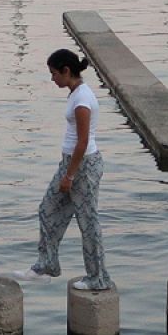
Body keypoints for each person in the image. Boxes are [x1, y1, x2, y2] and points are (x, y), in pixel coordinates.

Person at [12, 50, 115, 292]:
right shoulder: (76, 94)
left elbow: (83, 141)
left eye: (54, 74)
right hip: (70, 163)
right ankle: (45, 265)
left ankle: (98, 277)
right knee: (47, 209)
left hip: (83, 166)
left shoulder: (81, 100)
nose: (52, 79)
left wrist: (69, 175)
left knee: (88, 223)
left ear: (66, 71)